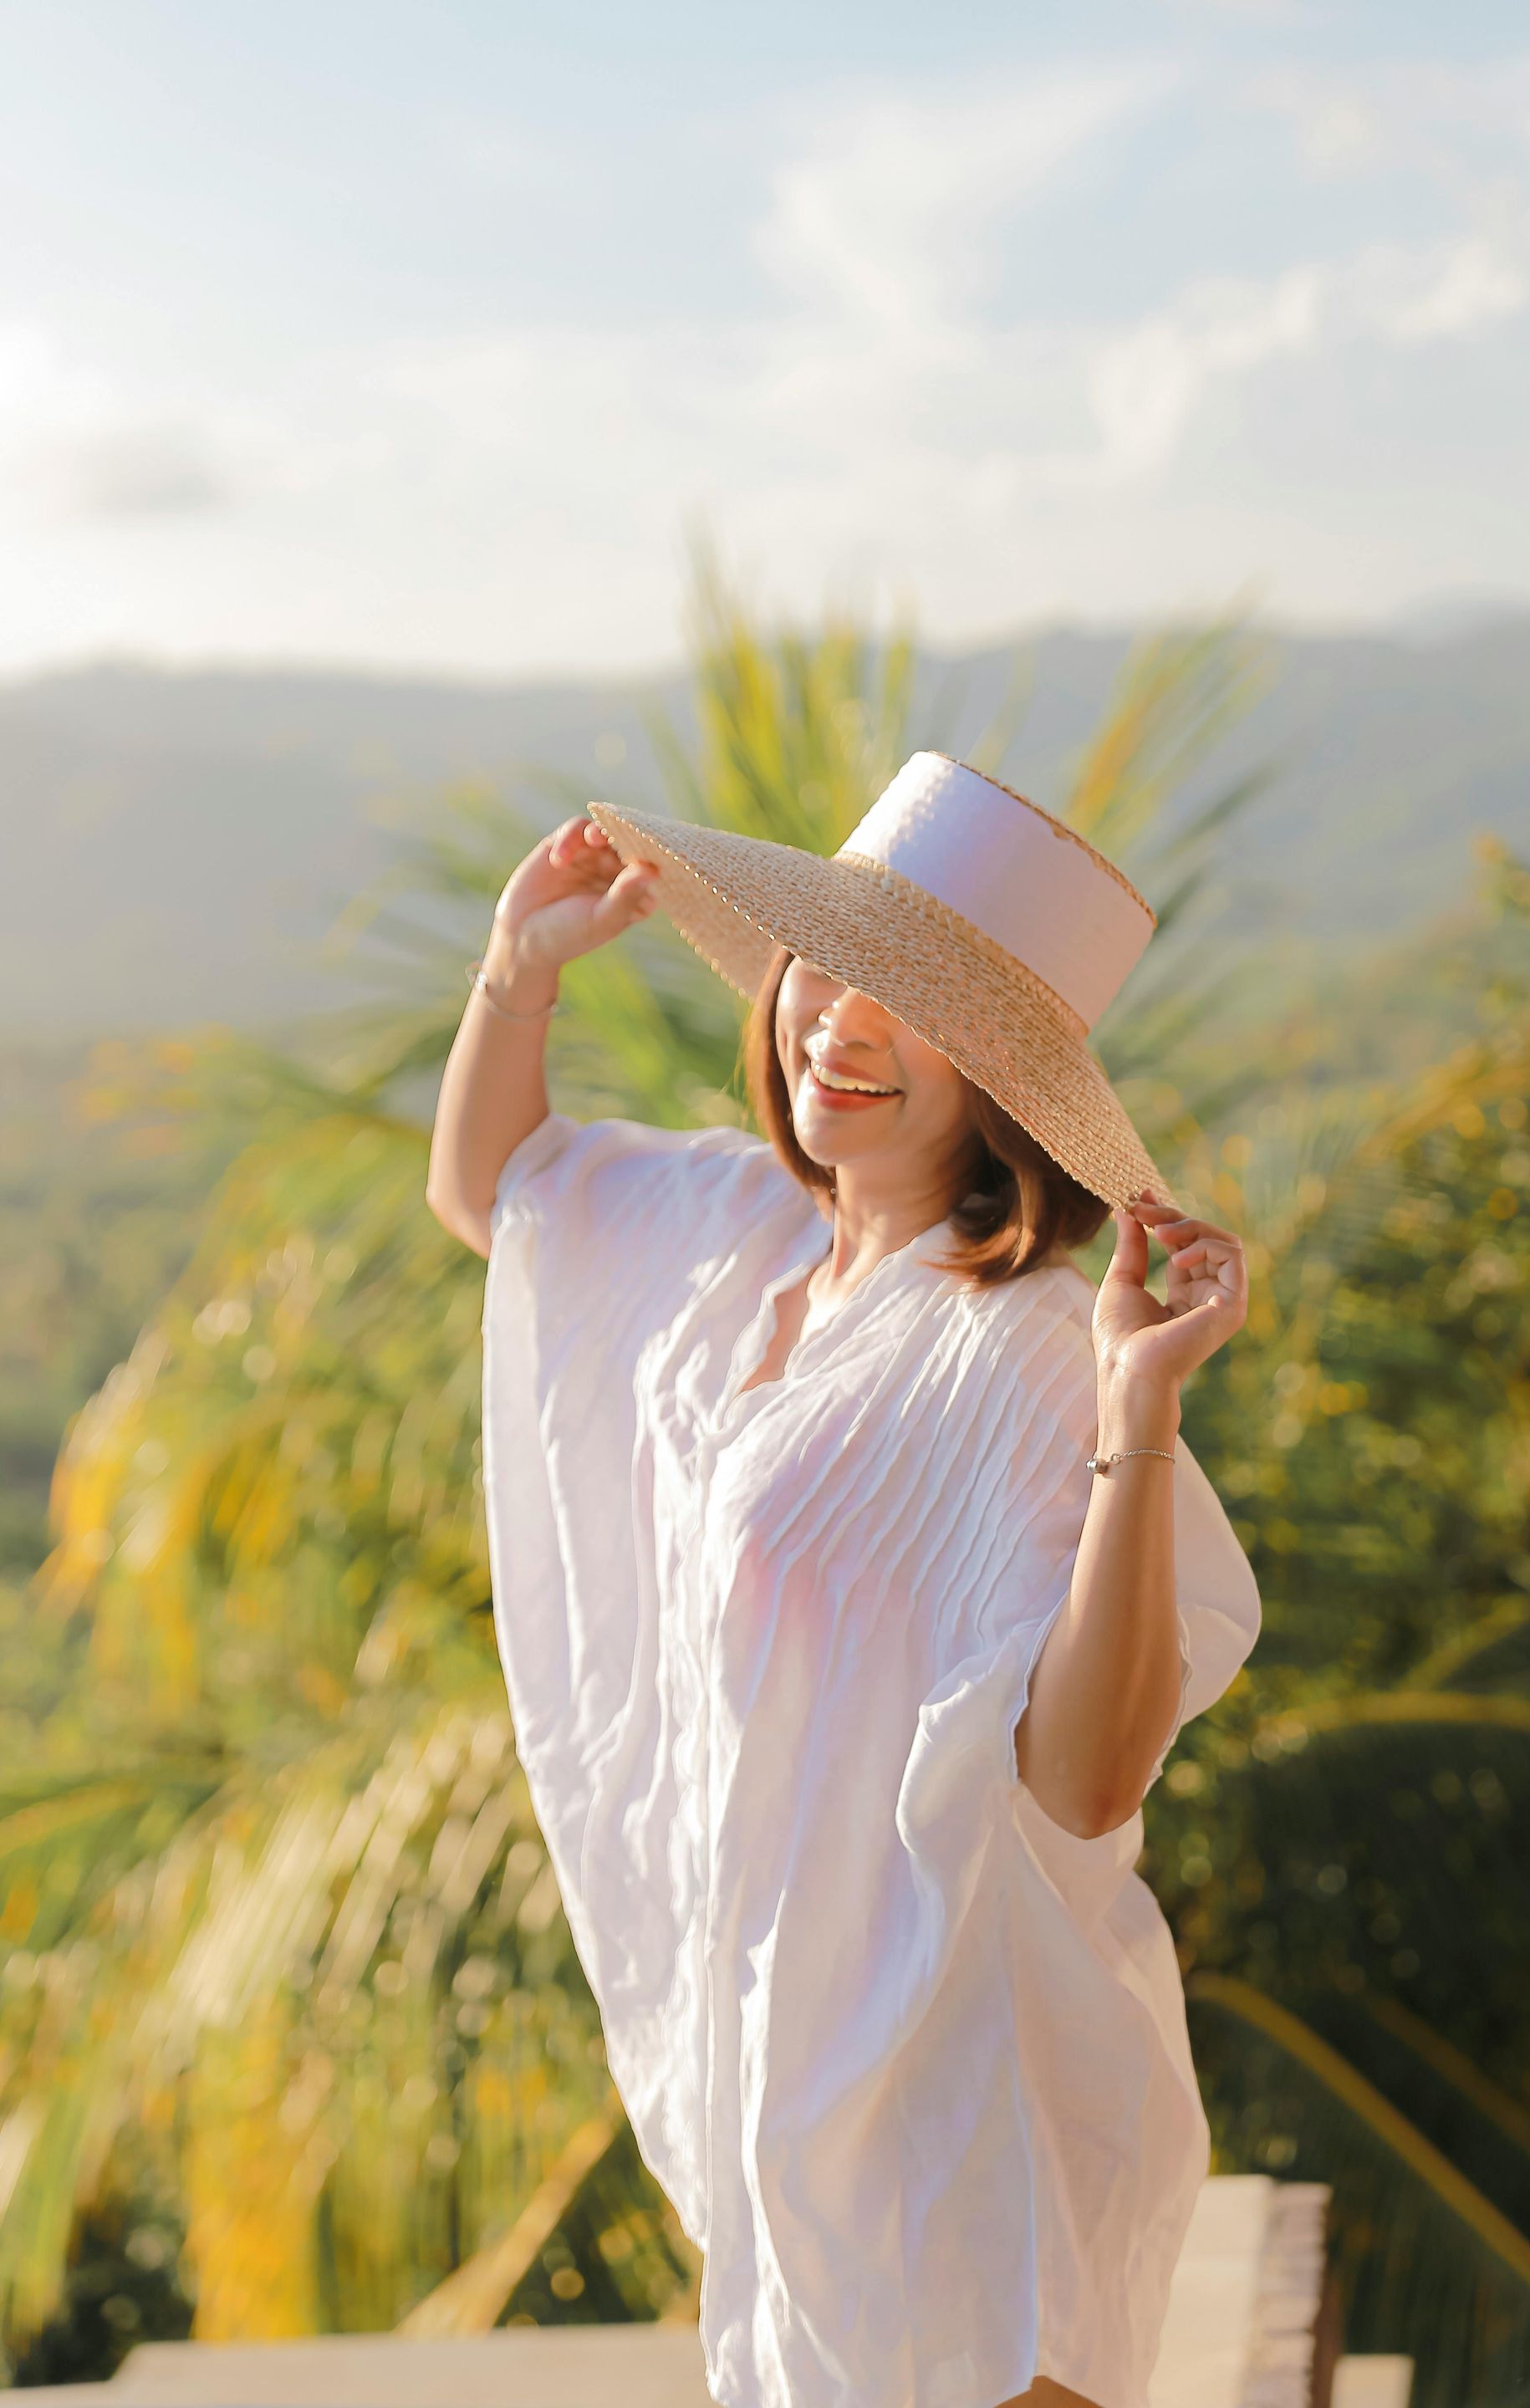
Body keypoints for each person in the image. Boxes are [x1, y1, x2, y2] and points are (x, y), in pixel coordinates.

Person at [426, 752, 1261, 2408]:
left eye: (915, 1001)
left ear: (1006, 1079)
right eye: (833, 964)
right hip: (788, 2099)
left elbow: (1087, 1781)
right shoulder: (730, 1237)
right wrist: (518, 970)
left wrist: (1139, 1412)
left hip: (971, 2133)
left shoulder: (1023, 1358)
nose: (843, 1025)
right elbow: (495, 1199)